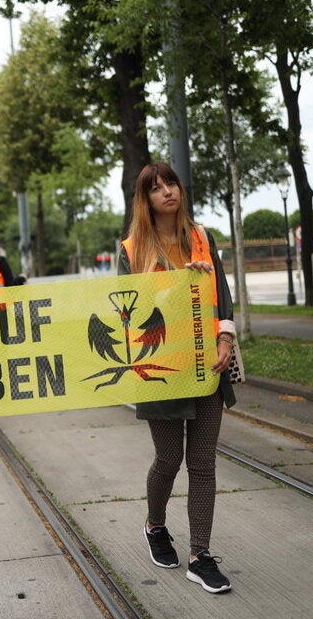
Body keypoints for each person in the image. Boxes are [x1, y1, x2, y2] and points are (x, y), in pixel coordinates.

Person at [117, 162, 237, 594]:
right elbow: (125, 314)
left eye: (171, 183)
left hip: (206, 366)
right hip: (162, 371)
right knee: (168, 460)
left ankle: (200, 555)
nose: (168, 191)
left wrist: (225, 340)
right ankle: (155, 526)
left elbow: (222, 296)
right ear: (145, 199)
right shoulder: (131, 250)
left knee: (202, 463)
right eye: (156, 187)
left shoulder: (202, 238)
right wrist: (173, 286)